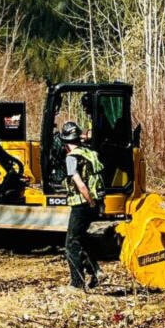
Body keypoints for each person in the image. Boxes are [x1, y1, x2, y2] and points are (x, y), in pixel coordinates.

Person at [59, 121, 106, 290]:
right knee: (82, 239)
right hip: (95, 202)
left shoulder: (72, 158)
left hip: (82, 204)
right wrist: (96, 204)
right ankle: (96, 271)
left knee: (71, 244)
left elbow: (80, 184)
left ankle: (77, 284)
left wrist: (90, 201)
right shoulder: (89, 152)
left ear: (65, 141)